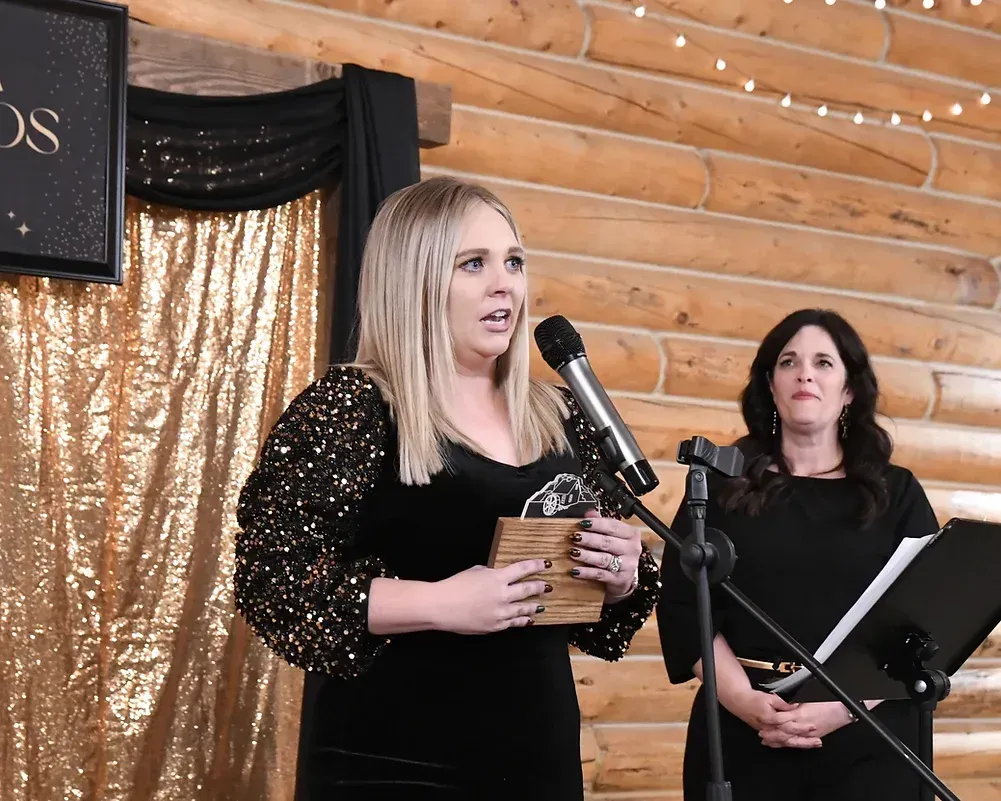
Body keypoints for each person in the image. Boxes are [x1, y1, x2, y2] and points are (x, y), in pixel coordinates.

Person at [233, 175, 660, 801]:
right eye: (473, 263)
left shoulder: (561, 415)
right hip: (389, 759)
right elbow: (273, 584)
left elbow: (600, 609)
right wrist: (440, 603)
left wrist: (619, 576)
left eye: (514, 262)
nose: (504, 284)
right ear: (415, 280)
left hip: (535, 758)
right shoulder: (352, 408)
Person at [657, 309, 939, 800]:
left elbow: (927, 617)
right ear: (770, 385)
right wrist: (746, 702)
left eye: (823, 363)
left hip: (871, 738)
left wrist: (843, 706)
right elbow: (685, 606)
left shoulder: (898, 494)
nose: (804, 374)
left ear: (849, 390)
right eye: (789, 362)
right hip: (742, 734)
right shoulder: (719, 487)